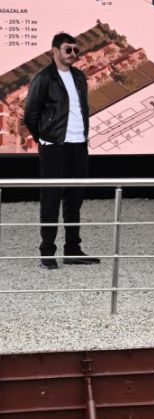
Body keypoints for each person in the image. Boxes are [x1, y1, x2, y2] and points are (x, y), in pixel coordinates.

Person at [23, 32, 100, 269]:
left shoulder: (79, 77)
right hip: (54, 147)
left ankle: (72, 250)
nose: (73, 55)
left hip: (78, 146)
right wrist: (45, 139)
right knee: (51, 200)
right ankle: (47, 252)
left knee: (74, 200)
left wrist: (81, 138)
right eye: (68, 50)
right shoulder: (43, 78)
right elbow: (30, 114)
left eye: (76, 50)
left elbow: (81, 109)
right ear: (54, 51)